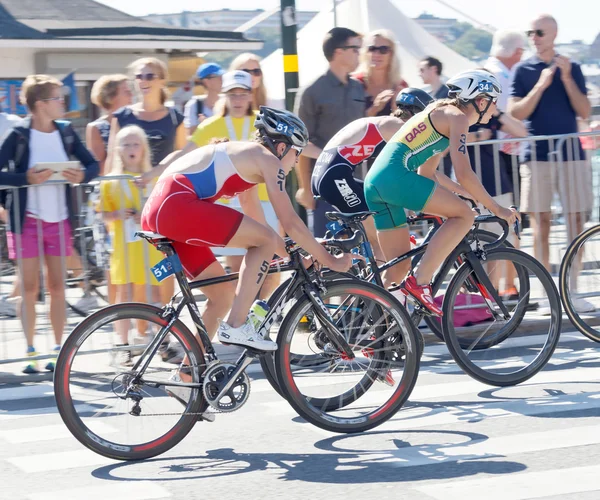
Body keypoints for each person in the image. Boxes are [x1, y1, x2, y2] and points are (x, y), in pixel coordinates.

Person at [141, 106, 352, 350]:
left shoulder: (247, 162)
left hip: (161, 210)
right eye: (297, 153)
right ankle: (236, 326)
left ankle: (189, 374)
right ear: (282, 147)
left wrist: (298, 257)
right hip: (174, 206)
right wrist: (329, 260)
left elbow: (260, 226)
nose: (296, 162)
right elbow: (290, 222)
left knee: (223, 297)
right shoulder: (267, 160)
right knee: (261, 241)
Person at [364, 69, 518, 316]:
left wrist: (462, 194)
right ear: (480, 101)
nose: (494, 110)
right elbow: (465, 173)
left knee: (397, 270)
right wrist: (495, 207)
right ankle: (421, 282)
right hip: (395, 179)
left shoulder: (440, 114)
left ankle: (369, 327)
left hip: (375, 183)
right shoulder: (458, 118)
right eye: (493, 103)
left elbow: (428, 173)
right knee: (465, 216)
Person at [0, 74, 99, 373]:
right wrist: (25, 179)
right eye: (58, 98)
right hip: (26, 221)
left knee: (58, 287)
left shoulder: (67, 132)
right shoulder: (18, 135)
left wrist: (83, 176)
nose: (63, 103)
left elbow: (93, 164)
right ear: (41, 104)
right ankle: (30, 351)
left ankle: (58, 351)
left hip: (59, 221)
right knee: (29, 289)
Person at [509, 14, 592, 313]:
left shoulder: (573, 68)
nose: (534, 37)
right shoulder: (523, 69)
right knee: (541, 222)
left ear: (554, 34)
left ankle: (572, 289)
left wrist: (567, 78)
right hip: (537, 155)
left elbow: (584, 110)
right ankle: (546, 293)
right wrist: (540, 86)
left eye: (540, 32)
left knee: (576, 221)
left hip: (570, 154)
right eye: (530, 32)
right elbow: (515, 113)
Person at [311, 87, 436, 263]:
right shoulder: (398, 127)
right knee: (381, 240)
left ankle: (364, 272)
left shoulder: (385, 122)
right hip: (334, 177)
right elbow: (425, 170)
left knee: (380, 209)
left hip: (329, 175)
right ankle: (381, 288)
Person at [107, 57, 186, 314]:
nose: (143, 81)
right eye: (139, 77)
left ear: (162, 80)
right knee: (133, 279)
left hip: (164, 200)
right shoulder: (123, 116)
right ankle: (137, 339)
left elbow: (183, 155)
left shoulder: (175, 117)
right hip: (129, 207)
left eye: (149, 76)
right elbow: (111, 161)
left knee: (164, 269)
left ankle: (166, 330)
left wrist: (155, 171)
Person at [99, 125, 163, 366]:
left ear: (144, 148)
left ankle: (156, 340)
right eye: (126, 144)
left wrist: (145, 215)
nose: (131, 149)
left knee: (152, 293)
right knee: (124, 295)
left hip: (148, 247)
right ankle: (123, 344)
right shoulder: (111, 181)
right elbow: (103, 214)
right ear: (118, 150)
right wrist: (117, 213)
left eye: (136, 144)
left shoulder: (153, 178)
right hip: (124, 247)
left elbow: (160, 209)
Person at [294, 27, 366, 237]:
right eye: (354, 48)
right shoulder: (312, 91)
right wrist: (306, 189)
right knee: (329, 254)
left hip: (358, 183)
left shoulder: (358, 88)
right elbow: (299, 143)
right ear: (338, 52)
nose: (358, 54)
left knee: (364, 253)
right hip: (324, 187)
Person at [353, 29, 409, 117]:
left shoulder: (401, 85)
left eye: (383, 49)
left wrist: (396, 109)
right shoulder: (355, 83)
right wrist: (375, 108)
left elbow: (408, 126)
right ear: (365, 52)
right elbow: (349, 123)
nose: (376, 54)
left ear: (391, 54)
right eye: (372, 49)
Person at [183, 62, 224, 137]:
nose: (222, 80)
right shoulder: (193, 105)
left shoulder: (227, 101)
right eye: (218, 76)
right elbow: (189, 134)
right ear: (206, 81)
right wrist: (204, 126)